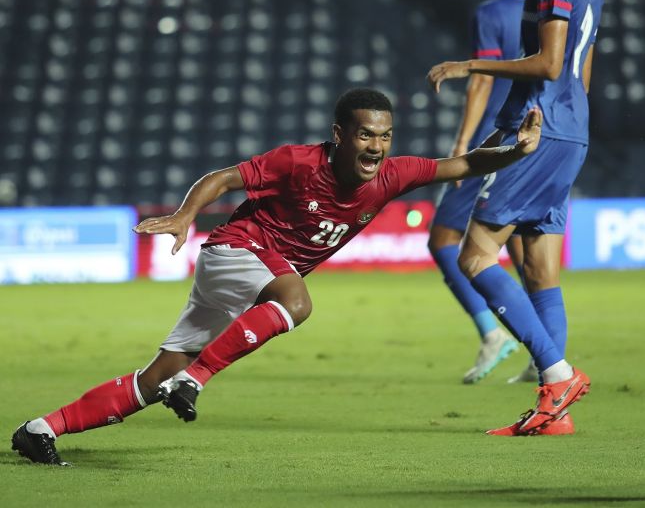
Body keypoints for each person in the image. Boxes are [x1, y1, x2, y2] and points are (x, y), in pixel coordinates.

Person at [11, 88, 544, 466]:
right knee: (298, 301)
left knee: (150, 383)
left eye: (384, 136)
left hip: (247, 275)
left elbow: (461, 165)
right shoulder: (297, 161)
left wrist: (515, 151)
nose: (376, 148)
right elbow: (223, 178)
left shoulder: (392, 174)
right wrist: (183, 216)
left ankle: (41, 430)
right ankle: (195, 381)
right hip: (234, 252)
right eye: (365, 136)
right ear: (340, 135)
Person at [426, 0, 605, 436]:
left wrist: (471, 64)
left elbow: (549, 64)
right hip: (571, 128)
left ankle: (556, 374)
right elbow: (581, 71)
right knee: (539, 269)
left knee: (474, 256)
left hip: (538, 129)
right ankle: (557, 413)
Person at [428, 0, 543, 385]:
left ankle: (490, 331)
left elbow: (480, 78)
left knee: (442, 242)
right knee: (519, 250)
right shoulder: (543, 15)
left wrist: (462, 146)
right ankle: (542, 350)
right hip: (534, 137)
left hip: (493, 142)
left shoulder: (490, 12)